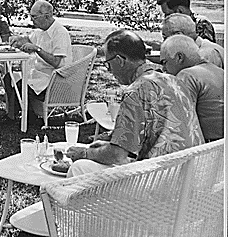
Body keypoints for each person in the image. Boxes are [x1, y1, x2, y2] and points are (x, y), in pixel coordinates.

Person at [66, 29, 204, 177]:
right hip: (193, 175)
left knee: (79, 168)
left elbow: (117, 155)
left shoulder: (136, 91)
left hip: (161, 182)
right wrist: (111, 140)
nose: (110, 70)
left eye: (108, 64)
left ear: (119, 60)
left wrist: (86, 153)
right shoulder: (175, 81)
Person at [0, 0, 72, 124]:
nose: (32, 20)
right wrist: (17, 39)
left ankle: (16, 118)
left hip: (55, 78)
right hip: (39, 74)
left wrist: (37, 49)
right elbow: (28, 39)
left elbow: (56, 62)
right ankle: (22, 114)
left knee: (20, 85)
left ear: (47, 16)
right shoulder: (41, 31)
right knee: (9, 77)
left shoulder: (59, 32)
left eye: (34, 17)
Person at [160, 34, 224, 142]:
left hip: (208, 149)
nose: (163, 69)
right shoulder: (220, 72)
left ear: (179, 57)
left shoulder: (186, 75)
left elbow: (179, 123)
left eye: (164, 62)